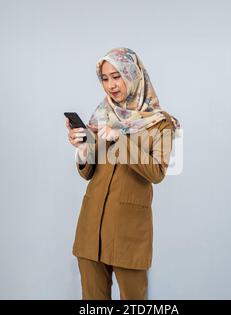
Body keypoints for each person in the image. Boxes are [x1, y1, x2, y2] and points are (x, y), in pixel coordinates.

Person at [65, 47, 181, 300]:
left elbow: (157, 172)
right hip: (90, 229)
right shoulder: (101, 115)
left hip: (128, 233)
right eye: (105, 78)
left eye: (116, 76)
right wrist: (84, 149)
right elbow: (89, 173)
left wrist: (121, 139)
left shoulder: (161, 122)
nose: (111, 85)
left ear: (132, 75)